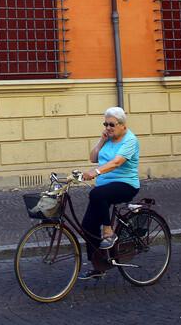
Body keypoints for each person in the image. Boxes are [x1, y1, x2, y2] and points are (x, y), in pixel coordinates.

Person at [77, 106, 140, 280]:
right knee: (87, 226)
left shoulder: (130, 140)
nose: (108, 128)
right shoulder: (108, 139)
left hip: (125, 184)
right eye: (105, 124)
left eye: (111, 124)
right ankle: (98, 265)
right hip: (104, 188)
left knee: (97, 194)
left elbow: (116, 163)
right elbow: (93, 158)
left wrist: (95, 173)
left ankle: (108, 232)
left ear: (122, 125)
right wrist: (101, 140)